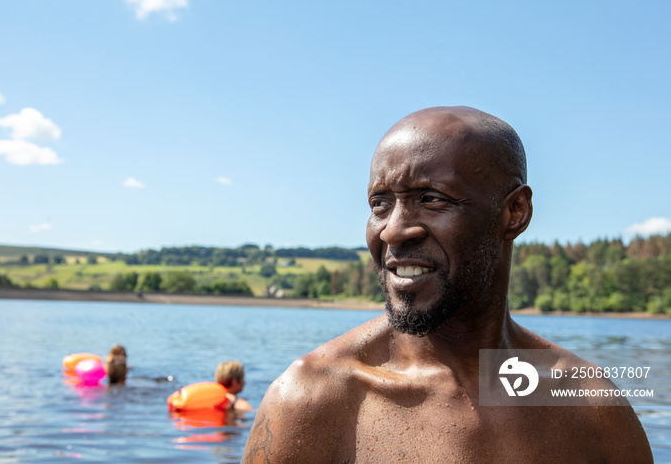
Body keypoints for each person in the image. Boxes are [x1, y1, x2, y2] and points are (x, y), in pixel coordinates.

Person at [242, 106, 653, 462]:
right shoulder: (314, 399)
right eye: (380, 203)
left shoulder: (586, 404)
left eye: (433, 198)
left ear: (515, 212)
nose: (393, 232)